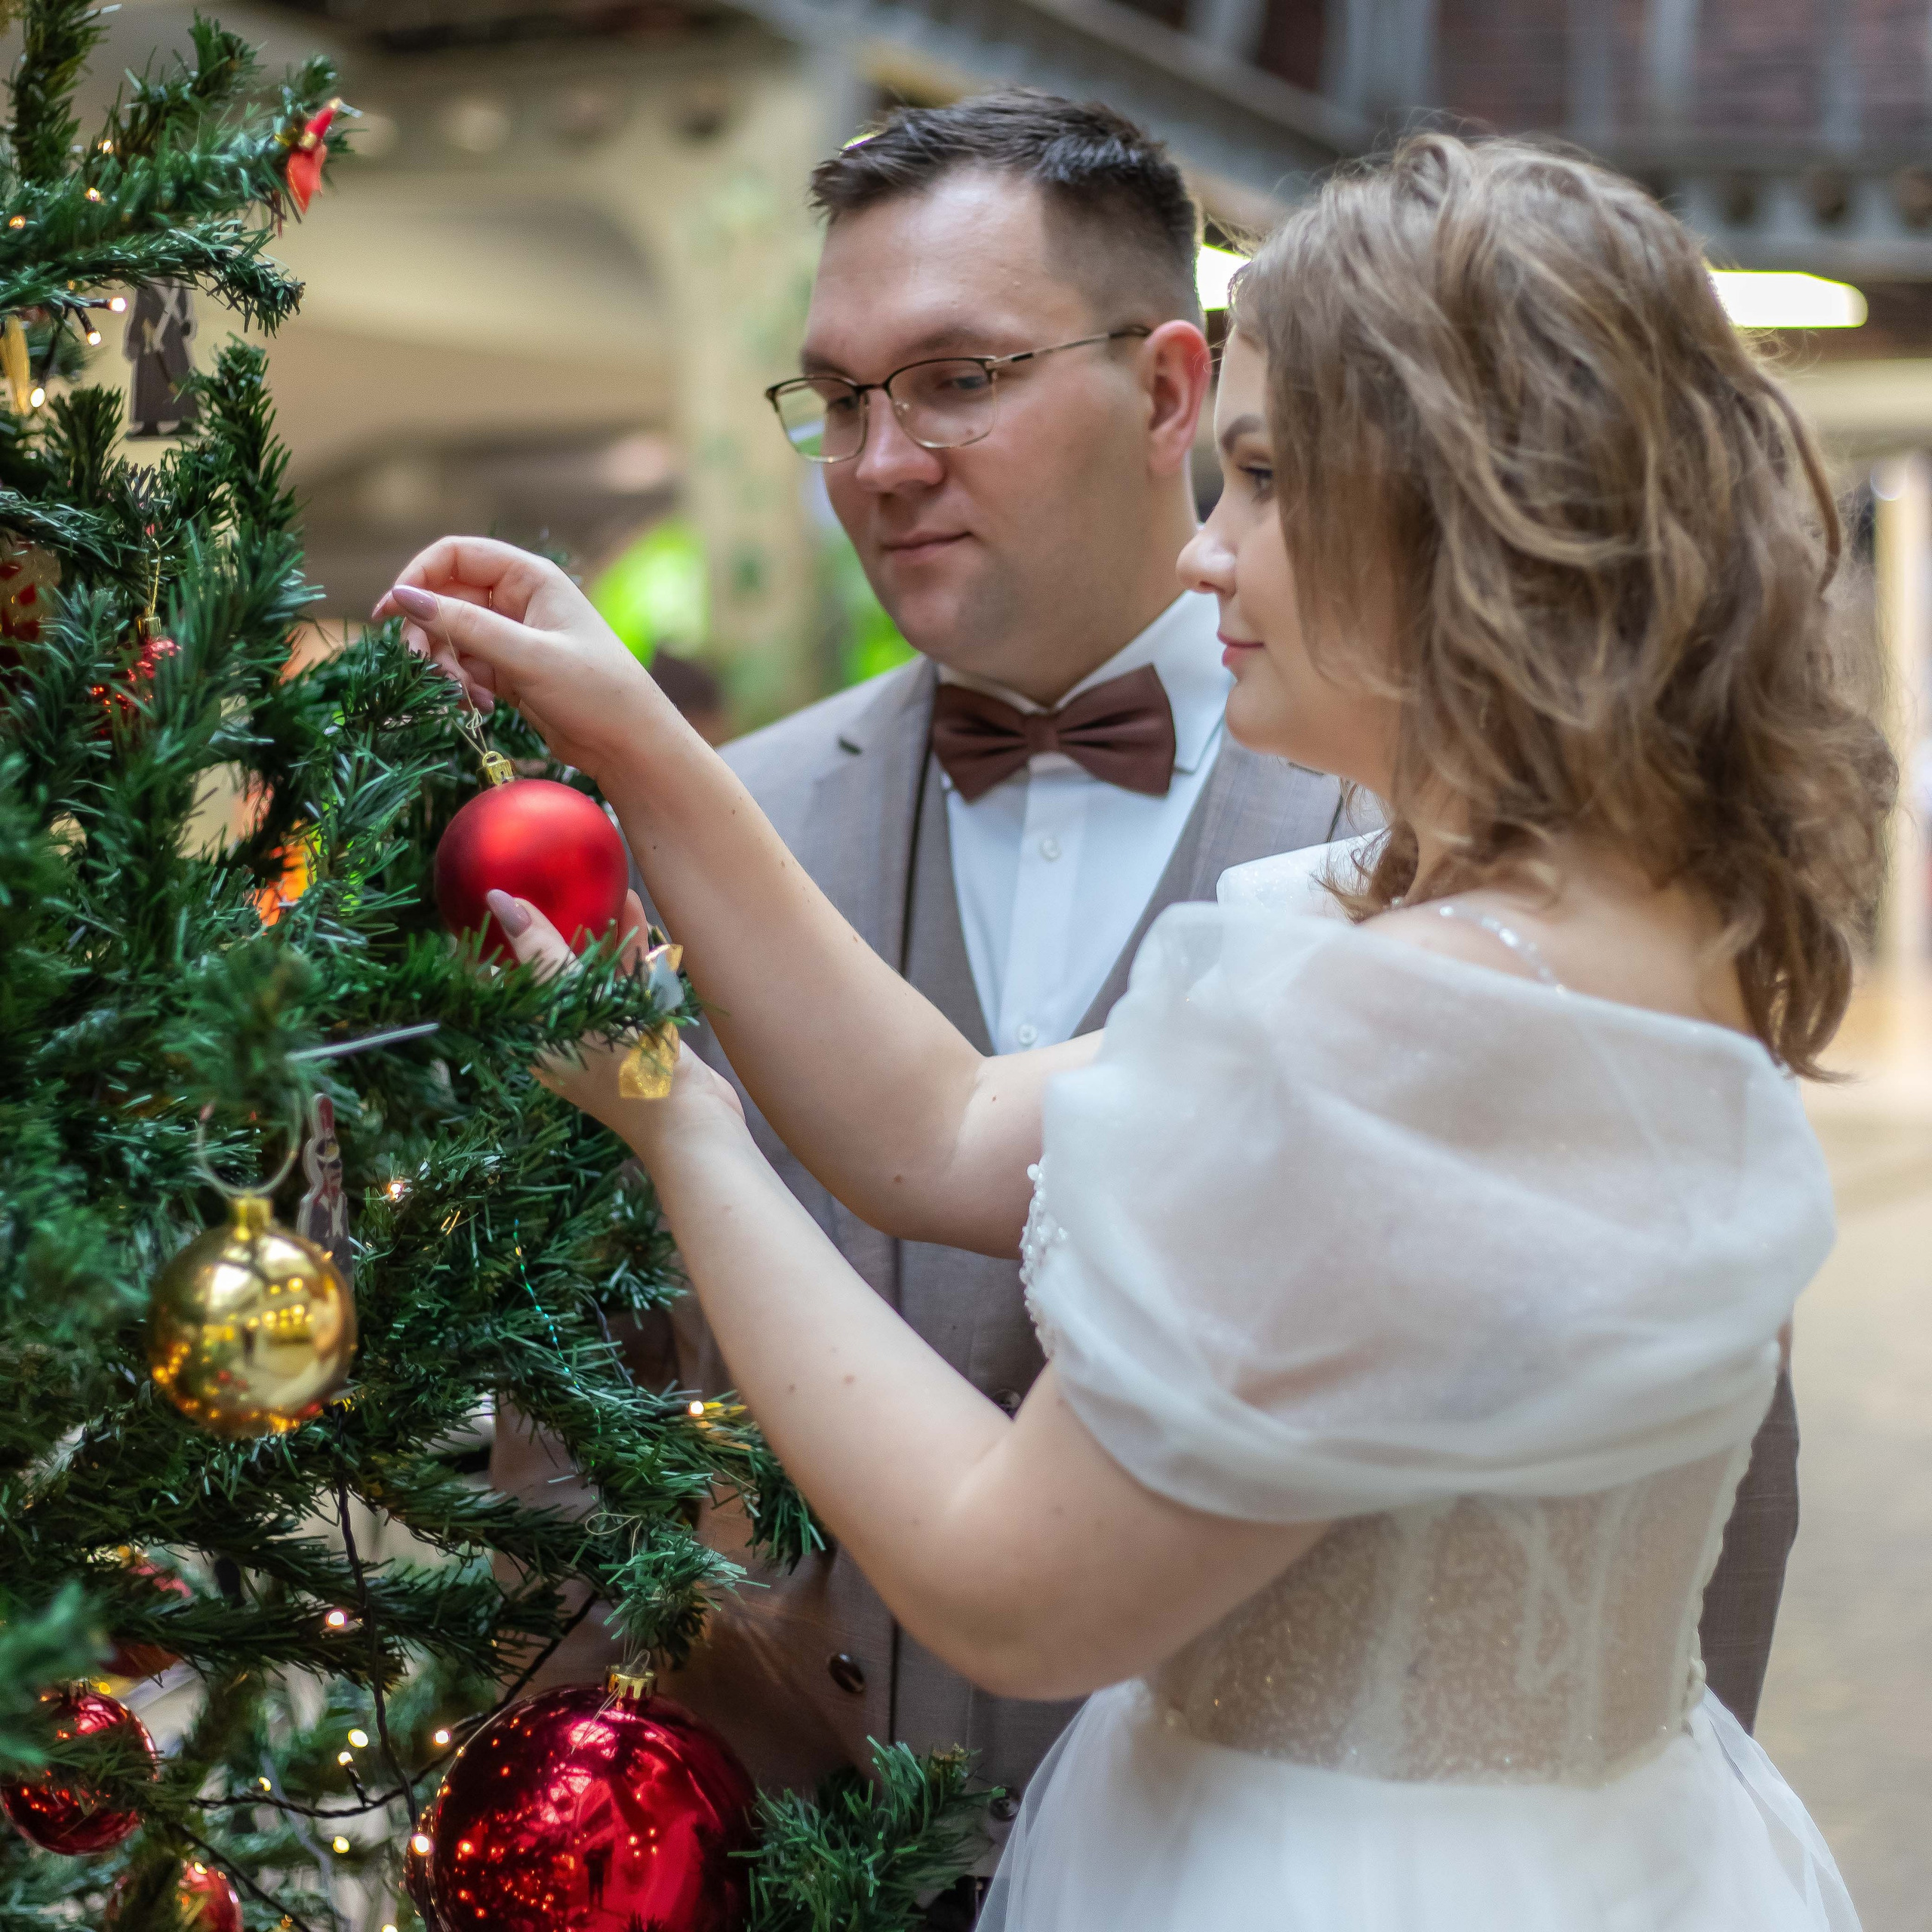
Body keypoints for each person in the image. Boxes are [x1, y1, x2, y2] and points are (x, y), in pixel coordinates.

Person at [383, 130, 1887, 1927]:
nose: (1206, 552)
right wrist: (638, 738)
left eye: (1254, 478)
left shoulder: (1410, 1024)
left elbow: (1013, 1590)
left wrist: (672, 1114)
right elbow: (935, 1128)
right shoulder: (1604, 915)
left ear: (1443, 504)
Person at [488, 89, 1355, 1859]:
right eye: (838, 396)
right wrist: (615, 1805)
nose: (879, 461)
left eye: (958, 378)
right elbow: (578, 1386)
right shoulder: (721, 822)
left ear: (1170, 391)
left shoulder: (1406, 823)